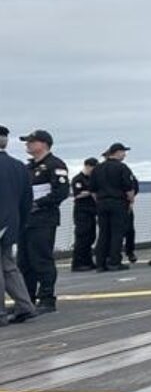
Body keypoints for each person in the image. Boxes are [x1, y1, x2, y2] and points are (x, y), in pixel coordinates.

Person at [19, 129, 69, 313]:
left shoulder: (54, 165)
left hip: (43, 218)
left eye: (31, 142)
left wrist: (38, 203)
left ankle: (47, 298)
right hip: (26, 219)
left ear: (43, 144)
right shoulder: (28, 168)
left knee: (41, 259)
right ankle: (26, 299)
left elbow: (61, 192)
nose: (27, 145)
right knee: (24, 261)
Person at [0, 126, 37, 325]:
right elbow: (26, 200)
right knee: (8, 266)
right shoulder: (19, 166)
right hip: (11, 223)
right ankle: (25, 305)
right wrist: (20, 224)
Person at [91, 142, 137, 272]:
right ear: (117, 152)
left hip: (102, 203)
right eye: (123, 152)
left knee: (103, 233)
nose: (124, 155)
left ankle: (100, 262)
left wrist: (99, 201)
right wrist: (131, 201)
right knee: (117, 233)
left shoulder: (97, 168)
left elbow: (93, 190)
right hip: (118, 202)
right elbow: (128, 187)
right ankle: (114, 261)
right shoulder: (122, 168)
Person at [70, 157, 99, 271]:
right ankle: (77, 263)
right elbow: (77, 194)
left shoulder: (92, 179)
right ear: (88, 166)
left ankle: (88, 261)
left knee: (91, 237)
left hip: (92, 211)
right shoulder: (78, 179)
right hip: (82, 211)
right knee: (82, 236)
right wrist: (89, 192)